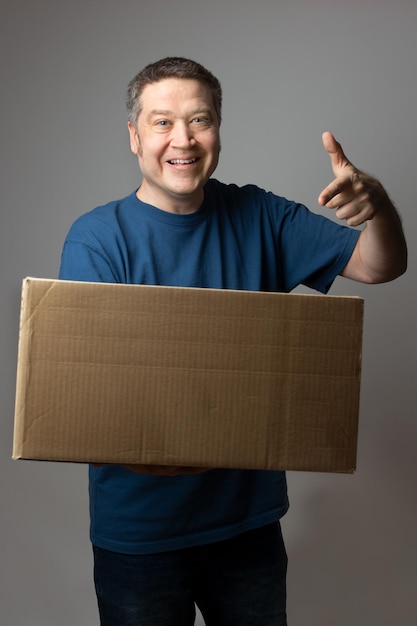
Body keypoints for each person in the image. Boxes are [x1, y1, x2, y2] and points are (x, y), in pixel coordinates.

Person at [59, 57, 407, 626]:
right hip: (141, 536)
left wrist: (378, 209)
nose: (183, 140)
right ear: (134, 136)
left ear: (218, 128)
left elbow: (379, 265)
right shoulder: (98, 239)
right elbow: (92, 400)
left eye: (199, 120)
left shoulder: (261, 215)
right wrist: (200, 447)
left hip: (247, 528)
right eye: (162, 122)